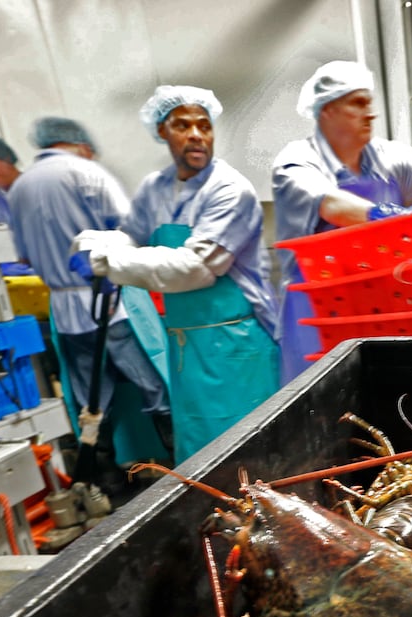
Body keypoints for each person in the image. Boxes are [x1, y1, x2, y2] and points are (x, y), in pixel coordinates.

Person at [74, 86, 280, 464]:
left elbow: (196, 269)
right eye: (182, 125)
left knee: (248, 449)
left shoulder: (230, 190)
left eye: (204, 125)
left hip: (234, 346)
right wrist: (92, 242)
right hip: (187, 346)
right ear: (162, 132)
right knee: (201, 448)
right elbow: (131, 235)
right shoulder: (156, 188)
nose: (197, 134)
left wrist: (108, 263)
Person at [272, 61, 412, 383]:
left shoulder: (386, 157)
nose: (371, 113)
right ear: (327, 110)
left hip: (385, 306)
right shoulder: (295, 162)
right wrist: (390, 216)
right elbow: (332, 205)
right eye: (358, 103)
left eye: (370, 103)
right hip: (316, 315)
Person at [6, 116, 173, 469]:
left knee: (92, 399)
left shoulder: (20, 187)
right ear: (83, 146)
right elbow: (131, 228)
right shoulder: (86, 173)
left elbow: (21, 255)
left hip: (64, 309)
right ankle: (180, 461)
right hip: (109, 299)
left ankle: (106, 478)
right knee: (153, 382)